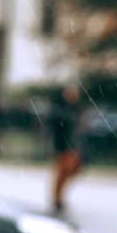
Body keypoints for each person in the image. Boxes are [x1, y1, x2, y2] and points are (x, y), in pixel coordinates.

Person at [49, 82, 85, 213]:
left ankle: (58, 197)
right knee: (63, 172)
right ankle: (57, 198)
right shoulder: (61, 110)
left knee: (71, 171)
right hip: (64, 146)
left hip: (73, 146)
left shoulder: (76, 109)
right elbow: (58, 129)